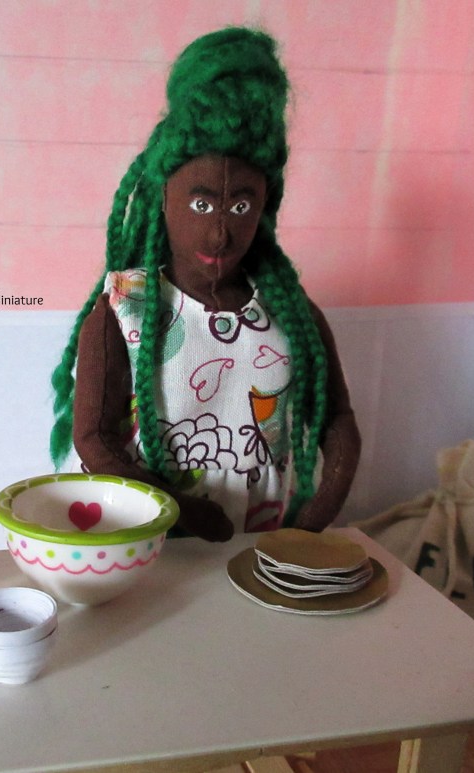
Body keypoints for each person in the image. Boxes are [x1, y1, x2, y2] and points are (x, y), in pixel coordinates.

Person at [49, 27, 360, 541]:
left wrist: (310, 521)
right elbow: (95, 438)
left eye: (240, 205)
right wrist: (185, 514)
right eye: (200, 204)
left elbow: (336, 417)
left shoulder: (288, 311)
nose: (220, 229)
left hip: (264, 549)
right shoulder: (128, 309)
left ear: (264, 205)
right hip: (150, 549)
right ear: (164, 198)